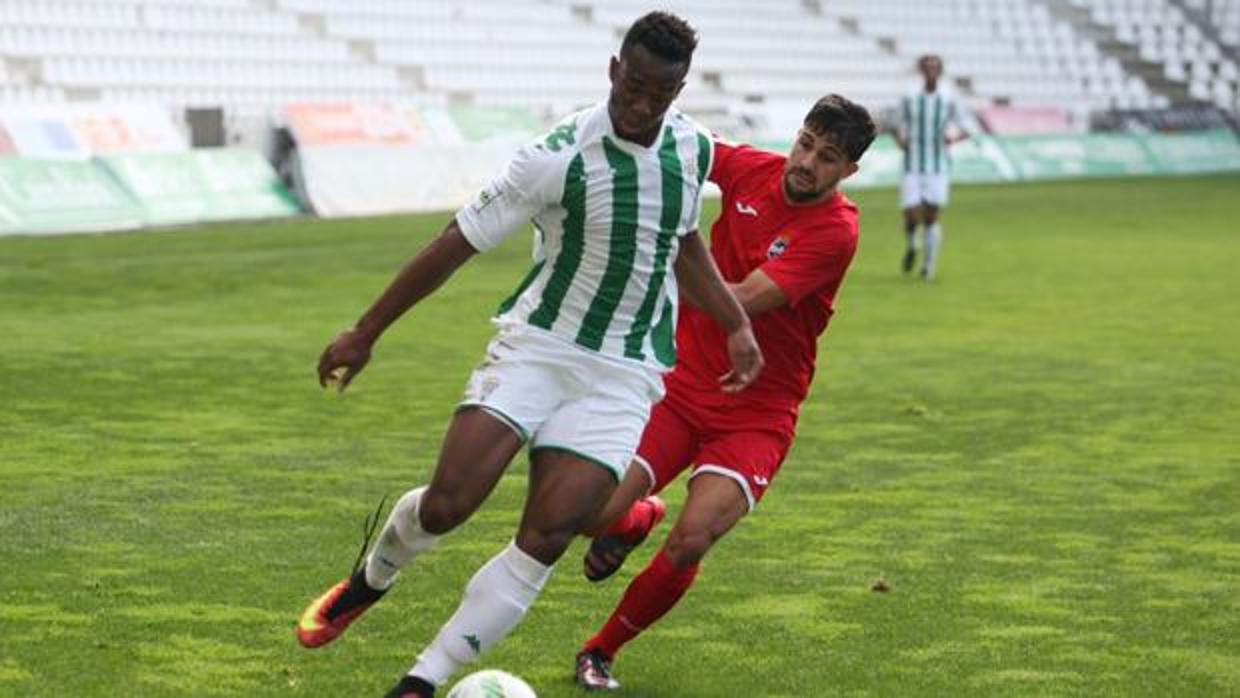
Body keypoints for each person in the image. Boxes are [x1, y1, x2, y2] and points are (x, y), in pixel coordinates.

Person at [294, 12, 764, 698]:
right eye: (631, 86)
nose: (640, 104)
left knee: (547, 533)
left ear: (678, 90)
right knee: (450, 503)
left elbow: (681, 239)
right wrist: (366, 331)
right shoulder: (557, 155)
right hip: (538, 346)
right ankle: (373, 578)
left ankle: (421, 681)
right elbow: (455, 242)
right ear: (613, 71)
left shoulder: (691, 151)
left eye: (657, 94)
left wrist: (733, 323)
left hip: (622, 372)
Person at [573, 94, 877, 690]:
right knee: (588, 515)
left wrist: (650, 266)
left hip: (758, 414)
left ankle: (599, 651)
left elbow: (735, 299)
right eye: (806, 143)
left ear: (848, 171)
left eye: (828, 157)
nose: (807, 162)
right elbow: (679, 143)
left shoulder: (836, 232)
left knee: (691, 540)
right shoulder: (750, 168)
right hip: (681, 388)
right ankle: (634, 519)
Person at [894, 54, 973, 281]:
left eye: (934, 67)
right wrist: (900, 138)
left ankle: (928, 267)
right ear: (921, 70)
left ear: (940, 71)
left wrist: (953, 139)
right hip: (912, 164)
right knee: (911, 214)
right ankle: (912, 245)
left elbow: (966, 126)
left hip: (938, 166)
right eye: (927, 67)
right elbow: (896, 123)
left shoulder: (948, 98)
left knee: (931, 216)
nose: (930, 71)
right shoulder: (909, 96)